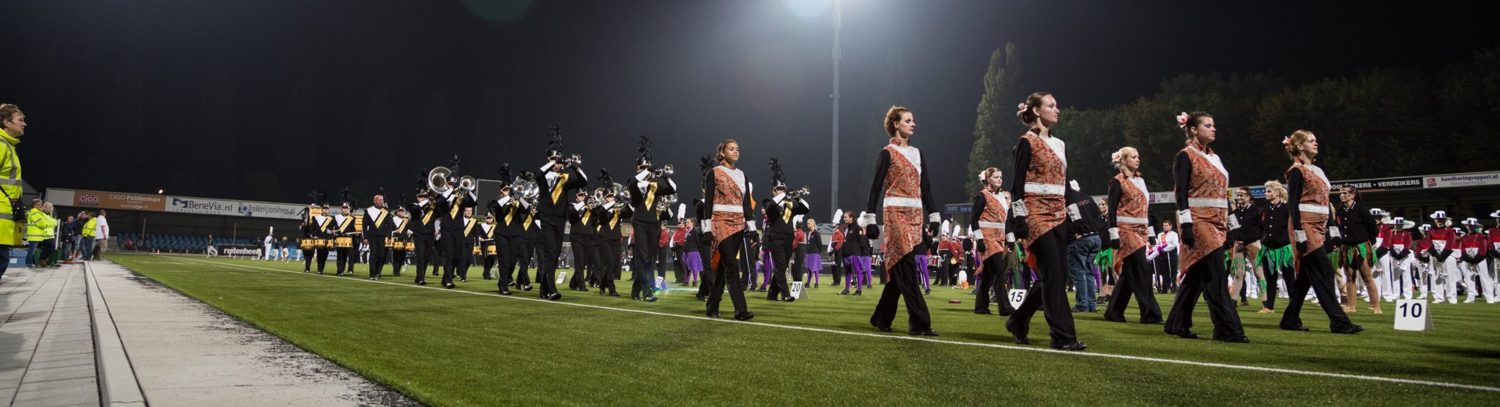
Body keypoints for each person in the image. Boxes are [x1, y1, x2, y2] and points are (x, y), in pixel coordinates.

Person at [1004, 93, 1084, 350]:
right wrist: (1018, 219)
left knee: (1055, 276)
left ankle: (1018, 319)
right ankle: (1063, 336)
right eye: (1051, 105)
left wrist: (1076, 217)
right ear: (1036, 111)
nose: (1057, 110)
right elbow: (1016, 186)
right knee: (1052, 276)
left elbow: (1065, 186)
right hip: (1035, 215)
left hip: (1059, 214)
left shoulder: (1060, 144)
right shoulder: (1025, 142)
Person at [1161, 111, 1248, 343]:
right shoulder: (1184, 156)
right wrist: (1186, 224)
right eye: (1208, 125)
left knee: (1197, 276)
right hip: (1198, 222)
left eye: (1213, 124)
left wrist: (1232, 225)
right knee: (1216, 275)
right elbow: (1180, 193)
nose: (1213, 128)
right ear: (1192, 129)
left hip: (1218, 223)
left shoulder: (1215, 158)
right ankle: (1226, 328)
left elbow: (1223, 196)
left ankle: (1176, 323)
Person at [1278, 130, 1362, 334]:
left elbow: (1326, 202)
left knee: (1307, 276)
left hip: (1320, 226)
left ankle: (1290, 319)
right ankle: (1339, 321)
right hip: (1305, 226)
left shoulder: (1318, 170)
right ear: (1300, 146)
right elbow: (1293, 204)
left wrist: (1333, 229)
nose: (1316, 143)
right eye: (1311, 141)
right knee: (1324, 271)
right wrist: (1298, 233)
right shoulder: (1296, 171)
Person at [865, 105, 938, 337]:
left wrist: (934, 215)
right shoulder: (886, 152)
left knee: (899, 271)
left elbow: (925, 187)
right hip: (895, 214)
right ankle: (920, 322)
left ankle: (881, 317)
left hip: (916, 216)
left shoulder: (918, 153)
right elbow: (875, 187)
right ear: (896, 124)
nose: (913, 123)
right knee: (907, 268)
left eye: (913, 120)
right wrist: (870, 219)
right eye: (908, 120)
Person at [1102, 147, 1164, 324]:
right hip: (1125, 231)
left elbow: (1146, 209)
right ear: (1123, 160)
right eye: (1134, 157)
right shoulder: (1117, 181)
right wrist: (1113, 233)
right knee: (1142, 270)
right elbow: (1112, 209)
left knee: (1130, 273)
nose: (1138, 159)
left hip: (1141, 231)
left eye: (1138, 156)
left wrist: (1151, 232)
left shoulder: (1140, 180)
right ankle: (1150, 314)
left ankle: (1114, 311)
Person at [700, 139, 756, 321]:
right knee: (732, 265)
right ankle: (740, 309)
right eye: (731, 149)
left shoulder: (743, 175)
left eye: (738, 149)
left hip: (739, 224)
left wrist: (753, 228)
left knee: (725, 269)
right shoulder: (714, 172)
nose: (736, 152)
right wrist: (706, 229)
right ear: (722, 152)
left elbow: (746, 204)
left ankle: (712, 305)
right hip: (720, 223)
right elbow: (708, 202)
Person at [535, 140, 589, 301]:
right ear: (549, 161)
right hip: (546, 217)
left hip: (560, 219)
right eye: (554, 161)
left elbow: (583, 181)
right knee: (550, 252)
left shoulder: (565, 177)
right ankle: (551, 289)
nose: (558, 164)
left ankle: (544, 288)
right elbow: (538, 174)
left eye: (559, 161)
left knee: (554, 254)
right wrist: (552, 162)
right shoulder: (544, 176)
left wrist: (574, 166)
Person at [628, 145, 677, 302]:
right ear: (638, 168)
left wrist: (664, 175)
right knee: (642, 257)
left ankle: (636, 289)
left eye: (648, 167)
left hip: (654, 224)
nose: (646, 170)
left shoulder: (656, 184)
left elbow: (672, 188)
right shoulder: (635, 182)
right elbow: (632, 185)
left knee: (649, 259)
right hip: (640, 223)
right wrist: (645, 172)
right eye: (642, 167)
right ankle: (646, 291)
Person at [971, 167, 1017, 316]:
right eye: (996, 177)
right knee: (998, 271)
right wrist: (979, 239)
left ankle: (981, 307)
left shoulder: (1003, 198)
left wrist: (1010, 238)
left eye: (1001, 177)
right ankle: (1005, 307)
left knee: (989, 274)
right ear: (988, 179)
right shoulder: (981, 196)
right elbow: (974, 219)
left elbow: (1006, 221)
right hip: (987, 237)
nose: (999, 179)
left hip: (1000, 238)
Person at [762, 163, 810, 302]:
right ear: (773, 190)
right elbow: (771, 207)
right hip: (776, 238)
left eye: (783, 188)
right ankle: (785, 294)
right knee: (780, 266)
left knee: (781, 267)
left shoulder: (790, 204)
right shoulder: (770, 203)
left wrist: (797, 197)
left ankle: (772, 294)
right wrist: (783, 195)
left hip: (789, 237)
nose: (782, 191)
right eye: (779, 189)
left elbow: (806, 208)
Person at [1335, 185, 1381, 312]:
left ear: (1353, 195)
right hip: (1346, 247)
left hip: (1361, 246)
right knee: (1350, 276)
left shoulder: (1361, 210)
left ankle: (1375, 305)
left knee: (1367, 276)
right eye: (1340, 193)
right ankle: (1351, 306)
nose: (1342, 195)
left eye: (1344, 193)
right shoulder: (1340, 211)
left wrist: (1369, 242)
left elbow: (1372, 227)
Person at [1065, 181, 1105, 313]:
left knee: (1079, 272)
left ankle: (1082, 304)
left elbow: (1068, 221)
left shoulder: (1068, 200)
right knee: (1089, 272)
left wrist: (1072, 234)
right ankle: (1091, 305)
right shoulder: (1087, 197)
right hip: (1095, 238)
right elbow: (1098, 216)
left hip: (1081, 239)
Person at [1258, 181, 1294, 313]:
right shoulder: (1265, 209)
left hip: (1284, 248)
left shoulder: (1286, 208)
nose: (1265, 193)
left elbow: (1291, 227)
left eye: (1268, 191)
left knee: (1289, 278)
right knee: (1270, 279)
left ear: (1277, 193)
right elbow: (1261, 227)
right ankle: (1269, 307)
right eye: (1266, 190)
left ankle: (1293, 306)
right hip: (1268, 249)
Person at [0, 104, 25, 280]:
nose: (24, 124)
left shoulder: (9, 146)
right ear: (6, 122)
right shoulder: (1, 145)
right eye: (20, 120)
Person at [1229, 187, 1264, 307]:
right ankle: (1233, 301)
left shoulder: (1257, 211)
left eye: (1241, 195)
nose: (1238, 198)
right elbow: (1232, 228)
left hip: (1253, 244)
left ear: (1249, 197)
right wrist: (1236, 238)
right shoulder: (1235, 213)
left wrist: (1251, 239)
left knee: (1259, 273)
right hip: (1239, 245)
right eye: (1238, 195)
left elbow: (1261, 229)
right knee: (1238, 274)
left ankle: (1266, 302)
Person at [596, 183, 628, 297]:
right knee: (609, 264)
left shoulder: (617, 210)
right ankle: (611, 289)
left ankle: (602, 284)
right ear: (604, 198)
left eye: (613, 196)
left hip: (616, 239)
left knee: (614, 265)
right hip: (604, 239)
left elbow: (629, 213)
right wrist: (612, 203)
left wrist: (627, 200)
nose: (612, 198)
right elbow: (601, 216)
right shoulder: (600, 208)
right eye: (609, 196)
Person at [1457, 218, 1496, 303]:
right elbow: (1462, 250)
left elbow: (1484, 249)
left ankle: (1489, 297)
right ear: (1466, 226)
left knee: (1484, 278)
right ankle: (1471, 297)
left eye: (1472, 226)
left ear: (1475, 226)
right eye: (1469, 225)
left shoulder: (1482, 236)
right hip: (1469, 259)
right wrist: (1468, 259)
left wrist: (1476, 259)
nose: (1470, 227)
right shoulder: (1463, 238)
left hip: (1480, 259)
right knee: (1469, 278)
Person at [362, 193, 394, 280]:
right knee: (373, 254)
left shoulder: (386, 212)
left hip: (382, 236)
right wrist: (365, 237)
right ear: (374, 201)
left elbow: (390, 225)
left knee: (381, 255)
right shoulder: (368, 210)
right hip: (372, 236)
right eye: (379, 200)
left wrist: (389, 237)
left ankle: (377, 272)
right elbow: (364, 225)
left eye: (382, 200)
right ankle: (372, 273)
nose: (381, 202)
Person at [804, 218, 823, 289]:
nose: (807, 224)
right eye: (807, 223)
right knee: (809, 269)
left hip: (815, 253)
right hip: (809, 253)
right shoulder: (808, 233)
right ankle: (808, 283)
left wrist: (818, 252)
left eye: (809, 223)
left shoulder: (816, 233)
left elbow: (820, 244)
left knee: (815, 269)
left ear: (813, 224)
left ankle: (816, 283)